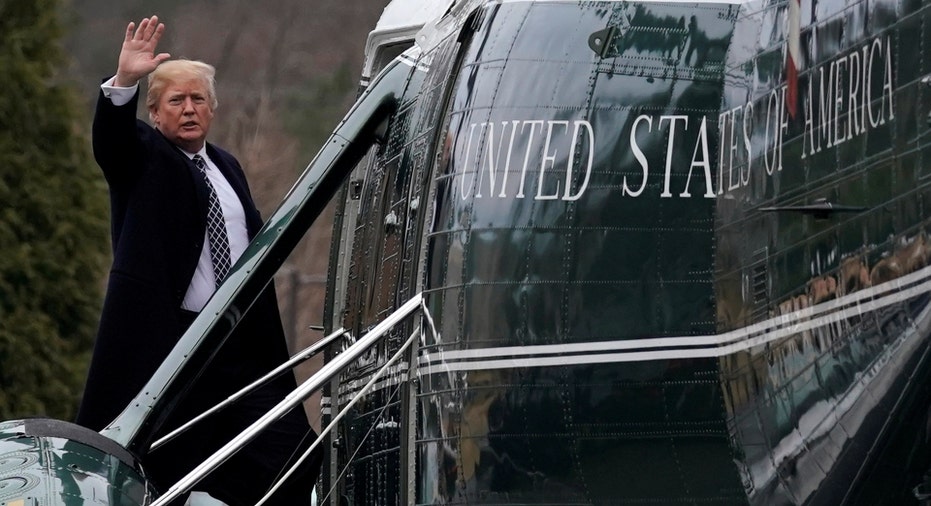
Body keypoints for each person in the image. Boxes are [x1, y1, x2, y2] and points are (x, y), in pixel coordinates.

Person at [76, 16, 321, 505]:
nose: (189, 109)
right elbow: (112, 145)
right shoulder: (146, 156)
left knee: (291, 450)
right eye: (176, 101)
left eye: (198, 99)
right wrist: (124, 81)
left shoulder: (228, 166)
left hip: (239, 344)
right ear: (155, 112)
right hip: (171, 349)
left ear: (212, 108)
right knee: (161, 468)